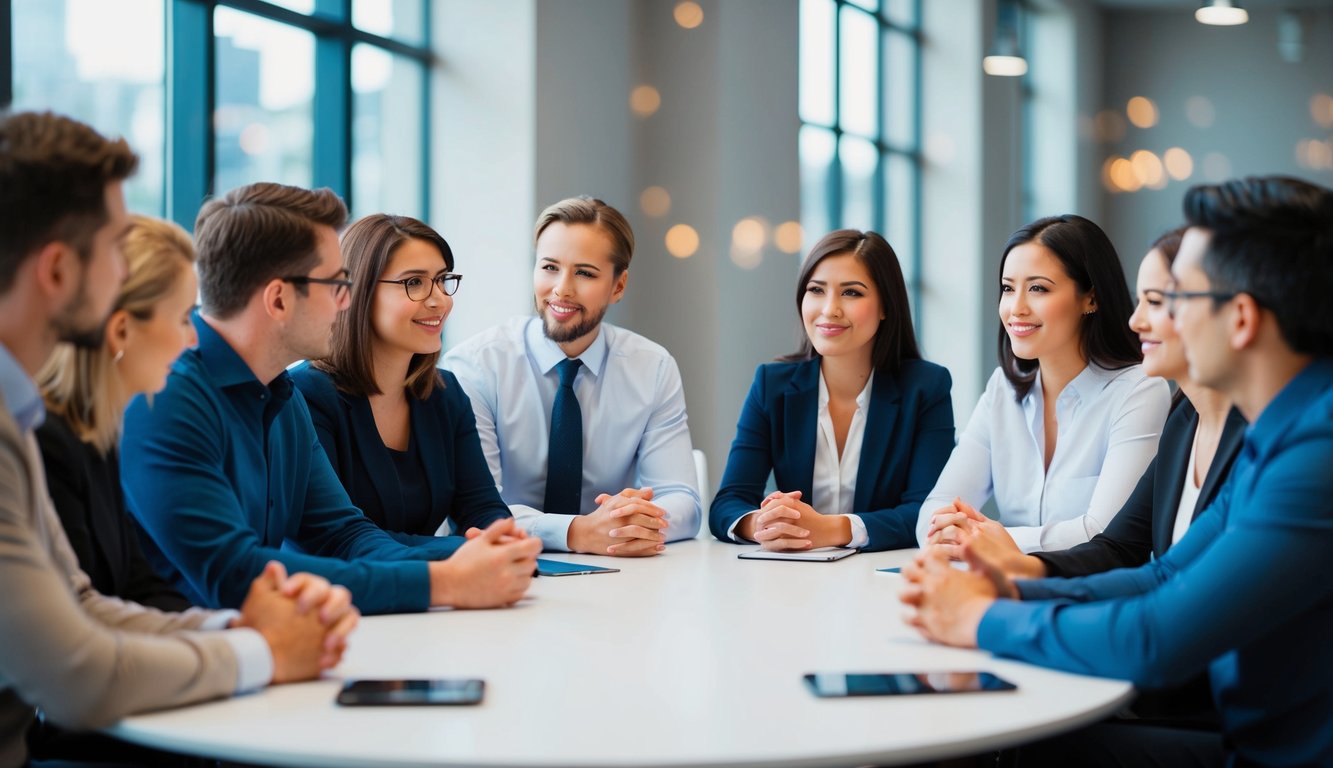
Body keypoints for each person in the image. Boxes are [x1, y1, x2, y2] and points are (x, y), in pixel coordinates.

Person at [901, 176, 1333, 767]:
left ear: (1240, 320)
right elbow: (1163, 575)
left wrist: (980, 618)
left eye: (1177, 299)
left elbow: (1157, 639)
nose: (1150, 322)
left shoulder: (1316, 451)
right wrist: (1008, 590)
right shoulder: (1278, 430)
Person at [0, 110, 357, 767]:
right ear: (56, 271)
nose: (193, 332)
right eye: (114, 246)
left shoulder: (16, 415)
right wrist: (263, 651)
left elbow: (85, 604)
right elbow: (74, 676)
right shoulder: (26, 426)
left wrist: (240, 628)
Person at [121, 182, 541, 616]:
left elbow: (342, 535)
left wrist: (469, 560)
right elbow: (234, 573)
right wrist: (444, 581)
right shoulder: (165, 396)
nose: (346, 303)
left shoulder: (284, 398)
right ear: (279, 298)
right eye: (337, 285)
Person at [954, 229, 1246, 578]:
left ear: (1238, 315)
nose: (1136, 321)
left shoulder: (1259, 437)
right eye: (1007, 287)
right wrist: (1014, 574)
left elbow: (1174, 590)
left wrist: (1001, 564)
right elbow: (1120, 549)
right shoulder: (1184, 421)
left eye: (1155, 302)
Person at [444, 196, 701, 556]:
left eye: (584, 273)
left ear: (618, 285)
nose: (562, 289)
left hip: (619, 577)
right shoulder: (475, 367)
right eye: (549, 267)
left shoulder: (652, 367)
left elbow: (683, 500)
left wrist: (631, 522)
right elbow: (474, 511)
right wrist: (577, 532)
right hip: (501, 566)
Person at [916, 214, 1170, 554]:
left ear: (1091, 299)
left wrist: (984, 538)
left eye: (1038, 288)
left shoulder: (1139, 391)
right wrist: (968, 535)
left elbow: (1103, 534)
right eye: (1008, 288)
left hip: (1093, 596)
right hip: (1004, 589)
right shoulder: (1003, 390)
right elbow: (934, 512)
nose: (1015, 308)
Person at [709, 229, 954, 551]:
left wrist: (833, 529)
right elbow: (729, 501)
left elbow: (926, 512)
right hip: (792, 577)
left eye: (851, 293)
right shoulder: (772, 385)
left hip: (882, 579)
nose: (829, 309)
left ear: (885, 306)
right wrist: (764, 524)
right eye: (816, 290)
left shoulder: (926, 387)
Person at [292, 214, 510, 541]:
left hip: (431, 584)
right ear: (358, 292)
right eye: (415, 282)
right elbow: (335, 538)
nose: (440, 300)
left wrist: (503, 539)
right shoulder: (307, 395)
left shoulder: (445, 393)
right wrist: (462, 553)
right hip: (341, 589)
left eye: (442, 280)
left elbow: (480, 507)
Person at [34, 215, 199, 612]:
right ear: (122, 331)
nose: (193, 339)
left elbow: (138, 585)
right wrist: (244, 645)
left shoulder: (96, 433)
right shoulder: (43, 442)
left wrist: (234, 632)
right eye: (183, 318)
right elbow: (81, 619)